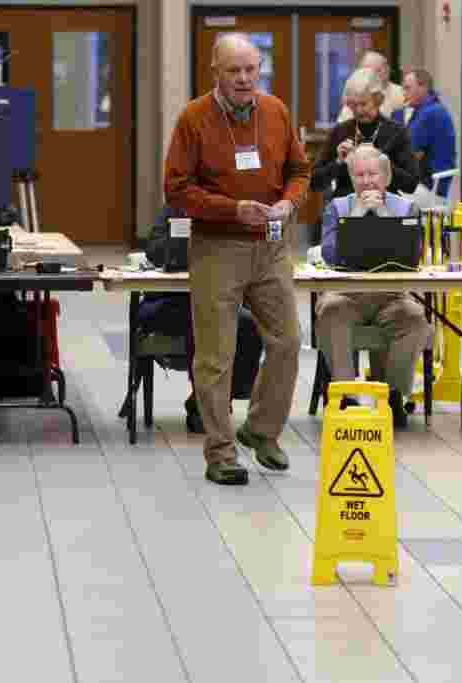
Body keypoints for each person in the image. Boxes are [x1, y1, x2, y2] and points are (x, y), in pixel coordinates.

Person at [163, 33, 310, 486]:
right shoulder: (194, 118)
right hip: (217, 246)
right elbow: (176, 188)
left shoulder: (275, 111)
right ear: (216, 73)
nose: (245, 78)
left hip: (270, 245)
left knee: (287, 341)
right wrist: (232, 209)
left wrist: (289, 202)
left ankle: (261, 430)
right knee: (216, 356)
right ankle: (221, 452)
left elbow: (299, 171)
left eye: (251, 69)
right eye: (234, 70)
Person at [316, 144, 429, 429]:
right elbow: (329, 254)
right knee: (329, 311)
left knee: (415, 319)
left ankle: (391, 396)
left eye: (372, 174)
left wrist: (383, 216)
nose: (367, 181)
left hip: (391, 296)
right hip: (346, 294)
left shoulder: (406, 207)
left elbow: (414, 256)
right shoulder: (337, 207)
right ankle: (347, 396)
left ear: (387, 177)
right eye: (359, 175)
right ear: (351, 179)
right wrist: (355, 214)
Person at [135, 207, 263, 434]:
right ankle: (206, 406)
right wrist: (188, 244)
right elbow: (152, 250)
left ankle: (219, 400)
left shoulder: (226, 213)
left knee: (249, 324)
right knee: (203, 319)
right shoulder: (174, 210)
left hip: (217, 299)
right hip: (170, 303)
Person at [312, 67, 419, 203]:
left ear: (378, 100)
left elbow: (411, 185)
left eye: (363, 104)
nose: (359, 110)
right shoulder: (340, 132)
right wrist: (338, 162)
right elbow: (314, 182)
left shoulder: (396, 132)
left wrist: (384, 165)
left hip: (385, 207)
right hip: (346, 209)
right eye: (353, 105)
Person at [399, 68, 456, 198]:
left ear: (423, 87)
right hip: (433, 185)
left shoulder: (429, 114)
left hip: (430, 188)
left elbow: (410, 153)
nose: (404, 94)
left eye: (408, 88)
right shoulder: (429, 109)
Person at [337, 50, 404, 123]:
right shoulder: (354, 94)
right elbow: (343, 123)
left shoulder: (401, 93)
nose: (368, 75)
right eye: (364, 72)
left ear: (387, 70)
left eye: (378, 71)